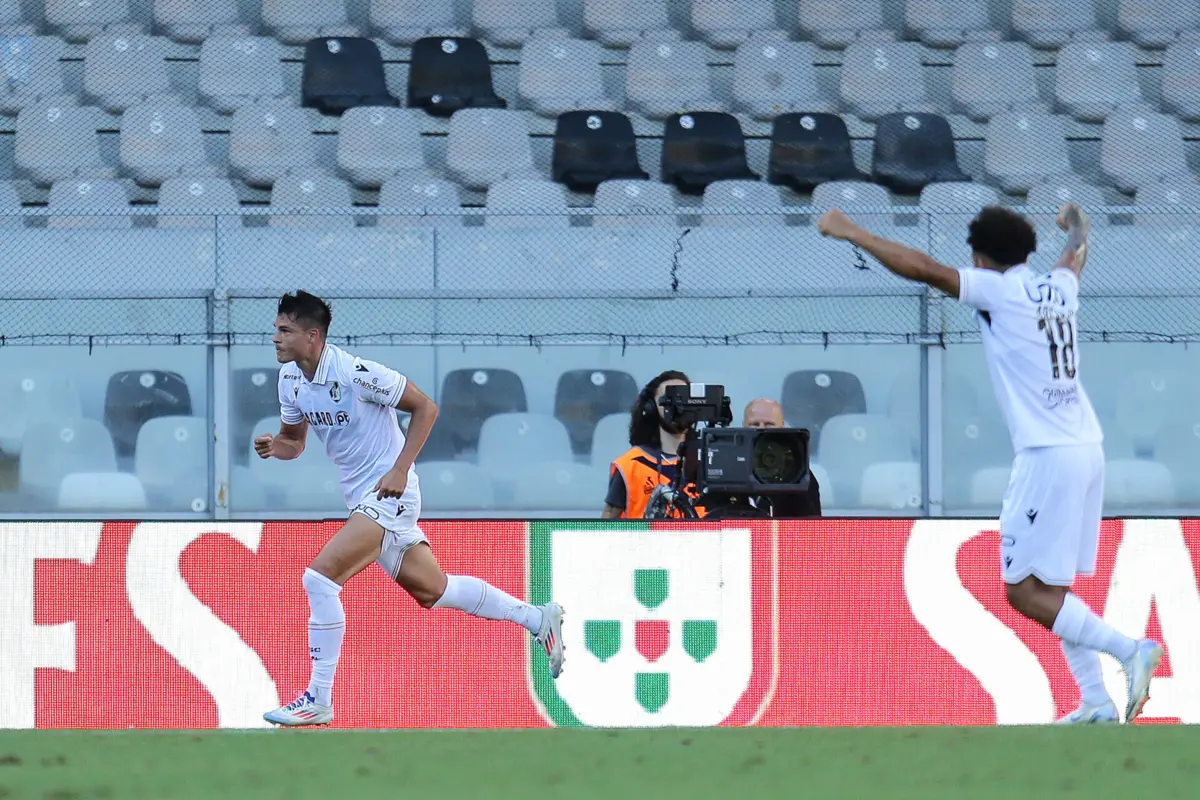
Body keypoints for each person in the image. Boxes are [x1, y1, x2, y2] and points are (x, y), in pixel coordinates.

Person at [817, 204, 1162, 725]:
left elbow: (924, 269)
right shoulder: (1056, 287)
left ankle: (1128, 649)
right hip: (1086, 446)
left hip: (1048, 455)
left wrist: (853, 233)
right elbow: (1074, 257)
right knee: (1052, 588)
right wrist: (1078, 228)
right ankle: (1095, 700)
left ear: (979, 258)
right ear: (1026, 252)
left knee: (1023, 590)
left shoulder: (998, 290)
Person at [257, 290, 565, 727]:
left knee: (319, 580)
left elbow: (426, 407)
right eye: (276, 329)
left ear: (312, 336)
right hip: (362, 499)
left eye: (284, 330)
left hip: (388, 495)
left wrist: (401, 469)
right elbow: (294, 442)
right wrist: (276, 446)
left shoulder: (356, 373)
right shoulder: (290, 379)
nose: (275, 338)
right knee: (434, 591)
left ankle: (317, 698)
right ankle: (538, 619)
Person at [601, 370, 696, 519]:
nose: (677, 406)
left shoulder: (711, 462)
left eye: (683, 397)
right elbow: (603, 529)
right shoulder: (631, 465)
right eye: (668, 398)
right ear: (651, 408)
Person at [741, 398, 822, 518]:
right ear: (743, 426)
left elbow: (811, 529)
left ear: (782, 427)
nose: (761, 429)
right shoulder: (728, 468)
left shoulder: (797, 473)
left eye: (769, 424)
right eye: (755, 424)